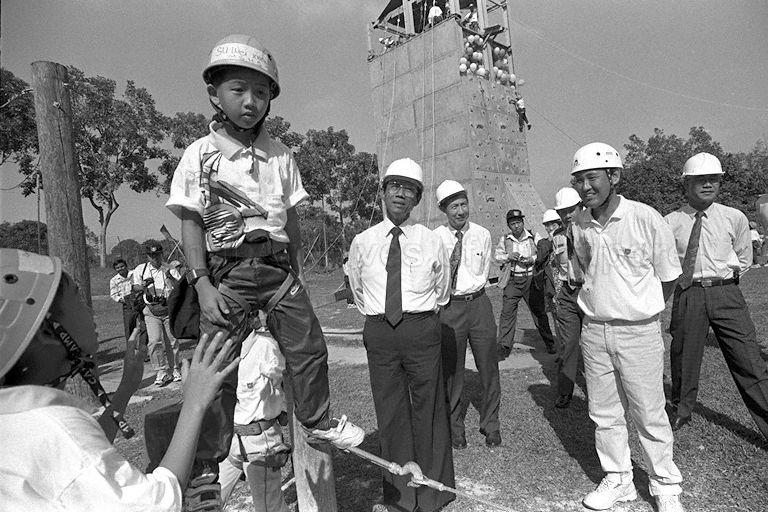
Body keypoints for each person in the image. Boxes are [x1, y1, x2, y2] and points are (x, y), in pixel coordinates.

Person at [165, 34, 363, 510]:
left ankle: (316, 420)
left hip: (276, 271)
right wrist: (202, 283)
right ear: (215, 93)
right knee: (216, 366)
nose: (250, 102)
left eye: (260, 93)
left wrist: (296, 274)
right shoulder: (199, 155)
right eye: (238, 90)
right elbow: (190, 220)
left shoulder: (281, 155)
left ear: (270, 98)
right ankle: (206, 470)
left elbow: (292, 221)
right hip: (227, 275)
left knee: (309, 346)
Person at [0, 248, 239, 512]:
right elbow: (158, 504)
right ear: (48, 332)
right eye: (78, 301)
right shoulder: (55, 429)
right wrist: (195, 403)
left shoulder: (20, 421)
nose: (89, 312)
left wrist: (126, 388)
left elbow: (82, 452)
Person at [569, 142, 684, 512]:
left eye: (592, 178)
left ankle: (665, 484)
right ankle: (618, 478)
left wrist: (638, 308)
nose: (585, 187)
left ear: (613, 177)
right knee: (604, 413)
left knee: (648, 412)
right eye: (579, 180)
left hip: (638, 331)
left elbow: (667, 278)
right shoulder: (579, 224)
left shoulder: (646, 218)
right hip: (595, 331)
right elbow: (585, 270)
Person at [347, 158, 455, 512]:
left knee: (429, 408)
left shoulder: (431, 240)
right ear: (383, 191)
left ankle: (433, 492)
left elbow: (442, 290)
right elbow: (358, 290)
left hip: (421, 328)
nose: (400, 193)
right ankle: (401, 497)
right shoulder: (363, 241)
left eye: (409, 189)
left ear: (417, 199)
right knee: (391, 411)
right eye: (394, 185)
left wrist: (417, 316)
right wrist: (382, 318)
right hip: (380, 330)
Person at [665, 152, 768, 440]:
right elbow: (665, 261)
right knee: (683, 356)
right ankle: (681, 410)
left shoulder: (733, 217)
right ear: (686, 184)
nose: (708, 184)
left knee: (748, 359)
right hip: (689, 294)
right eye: (701, 180)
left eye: (714, 179)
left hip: (726, 294)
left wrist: (722, 283)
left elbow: (745, 258)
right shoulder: (671, 221)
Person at [433, 180, 502, 449]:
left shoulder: (482, 234)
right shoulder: (435, 238)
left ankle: (491, 425)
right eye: (454, 207)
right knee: (453, 371)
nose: (460, 211)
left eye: (463, 204)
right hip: (451, 308)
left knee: (489, 367)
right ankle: (455, 428)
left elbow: (484, 269)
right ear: (444, 210)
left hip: (479, 305)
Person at [218, 317, 291, 512]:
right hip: (229, 440)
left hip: (259, 442)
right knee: (209, 500)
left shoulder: (264, 347)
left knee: (269, 507)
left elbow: (288, 378)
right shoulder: (222, 348)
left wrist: (282, 407)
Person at [495, 208, 555, 359]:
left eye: (518, 222)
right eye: (512, 223)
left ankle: (550, 343)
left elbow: (543, 250)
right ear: (509, 226)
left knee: (539, 312)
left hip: (530, 279)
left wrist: (532, 259)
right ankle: (503, 346)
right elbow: (497, 256)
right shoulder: (505, 239)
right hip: (513, 280)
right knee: (507, 313)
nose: (516, 226)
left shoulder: (533, 235)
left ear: (523, 222)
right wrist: (508, 256)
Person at [550, 187, 584, 409]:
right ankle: (565, 391)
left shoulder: (592, 230)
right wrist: (557, 292)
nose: (567, 215)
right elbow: (556, 266)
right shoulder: (558, 237)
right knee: (568, 345)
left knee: (596, 346)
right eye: (562, 212)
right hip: (568, 294)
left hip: (592, 293)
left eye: (571, 210)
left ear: (581, 206)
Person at [133, 242, 182, 387]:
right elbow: (135, 286)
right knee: (154, 341)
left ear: (162, 254)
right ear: (148, 256)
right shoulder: (141, 269)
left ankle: (175, 369)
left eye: (158, 254)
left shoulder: (169, 268)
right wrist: (144, 286)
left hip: (168, 308)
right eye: (152, 255)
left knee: (172, 341)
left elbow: (179, 286)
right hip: (151, 309)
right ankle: (160, 371)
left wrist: (169, 277)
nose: (155, 258)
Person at [110, 258, 140, 342]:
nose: (120, 269)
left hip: (139, 302)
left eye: (122, 266)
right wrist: (124, 301)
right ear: (115, 269)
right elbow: (114, 295)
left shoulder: (134, 274)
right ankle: (132, 349)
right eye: (117, 268)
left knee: (144, 326)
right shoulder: (114, 280)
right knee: (129, 327)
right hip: (127, 305)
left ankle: (145, 347)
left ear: (126, 266)